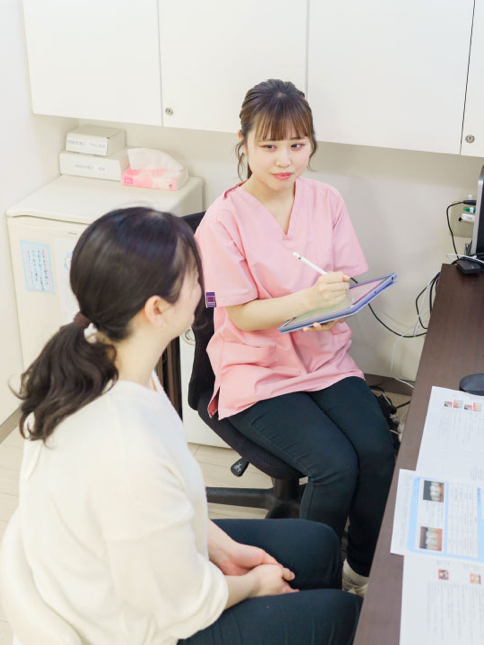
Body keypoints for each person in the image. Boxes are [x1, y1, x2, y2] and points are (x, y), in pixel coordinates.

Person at [15, 207, 361, 645]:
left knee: (320, 545)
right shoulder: (125, 452)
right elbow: (184, 606)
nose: (205, 286)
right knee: (346, 614)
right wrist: (254, 584)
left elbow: (173, 508)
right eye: (197, 277)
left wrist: (226, 551)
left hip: (147, 568)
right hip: (143, 630)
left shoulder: (105, 357)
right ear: (157, 310)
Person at [194, 79, 396, 595]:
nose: (284, 160)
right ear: (243, 143)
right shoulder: (222, 222)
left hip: (323, 358)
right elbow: (241, 315)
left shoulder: (326, 200)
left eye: (297, 144)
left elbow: (344, 277)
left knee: (378, 451)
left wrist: (335, 305)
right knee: (334, 466)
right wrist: (309, 301)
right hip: (257, 368)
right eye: (269, 145)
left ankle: (360, 571)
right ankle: (309, 588)